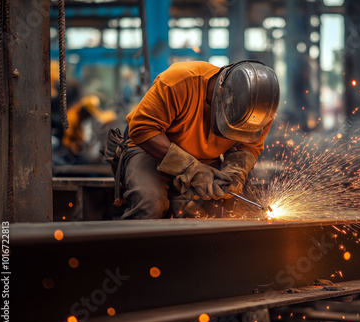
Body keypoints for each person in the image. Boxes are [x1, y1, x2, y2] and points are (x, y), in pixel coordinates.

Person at [118, 60, 279, 219]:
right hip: (150, 149)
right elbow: (142, 129)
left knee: (231, 209)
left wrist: (235, 173)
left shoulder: (261, 109)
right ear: (221, 97)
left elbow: (249, 147)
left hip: (206, 160)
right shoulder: (178, 81)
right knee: (150, 204)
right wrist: (189, 168)